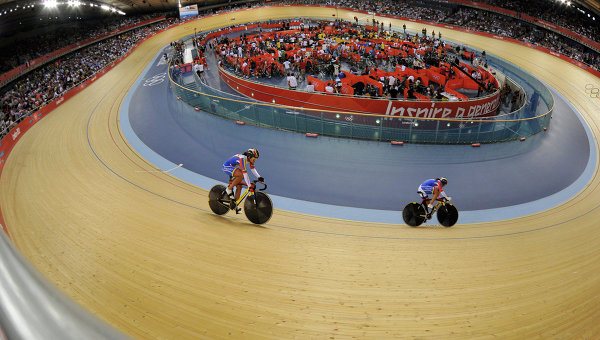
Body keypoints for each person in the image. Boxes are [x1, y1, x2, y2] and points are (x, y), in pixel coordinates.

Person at [222, 148, 264, 213]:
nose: (254, 161)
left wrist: (259, 177)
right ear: (249, 156)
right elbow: (245, 174)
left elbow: (252, 169)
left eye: (255, 159)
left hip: (234, 167)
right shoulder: (242, 159)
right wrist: (249, 185)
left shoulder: (250, 159)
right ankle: (229, 189)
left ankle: (235, 204)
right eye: (254, 159)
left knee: (239, 187)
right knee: (241, 175)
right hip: (227, 167)